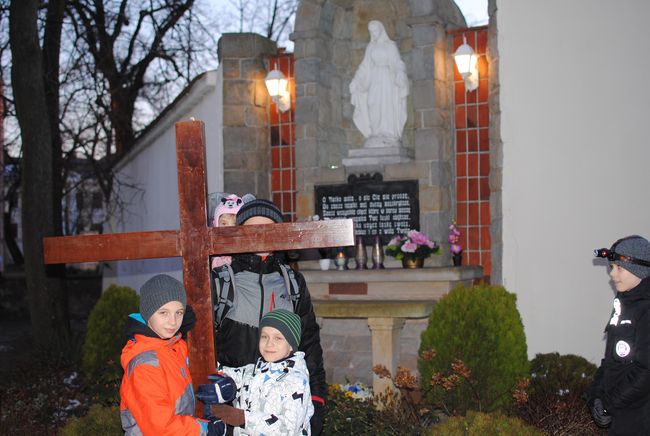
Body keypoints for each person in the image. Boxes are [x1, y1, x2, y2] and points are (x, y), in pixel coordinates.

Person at [211, 199, 326, 434]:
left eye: (269, 229)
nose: (262, 236)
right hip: (233, 408)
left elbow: (309, 342)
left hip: (283, 410)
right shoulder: (219, 281)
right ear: (241, 233)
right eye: (254, 229)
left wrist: (316, 399)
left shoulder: (292, 282)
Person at [119, 273, 224, 435]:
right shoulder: (145, 364)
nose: (173, 322)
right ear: (147, 313)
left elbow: (200, 370)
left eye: (179, 312)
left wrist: (222, 381)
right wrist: (204, 429)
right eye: (163, 313)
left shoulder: (175, 346)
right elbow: (160, 427)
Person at [198, 309, 314, 435]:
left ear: (291, 345)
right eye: (264, 336)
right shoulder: (254, 371)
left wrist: (242, 418)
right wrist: (224, 382)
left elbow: (287, 429)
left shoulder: (296, 381)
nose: (269, 343)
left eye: (278, 338)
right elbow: (226, 373)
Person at [587, 235, 650, 434]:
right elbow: (612, 360)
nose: (612, 275)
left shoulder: (646, 310)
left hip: (640, 419)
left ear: (639, 269)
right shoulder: (623, 304)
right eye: (611, 268)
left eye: (618, 268)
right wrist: (595, 396)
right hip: (621, 416)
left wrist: (609, 403)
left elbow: (645, 371)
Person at [349, 20, 409, 144]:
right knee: (373, 103)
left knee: (386, 104)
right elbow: (365, 66)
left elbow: (397, 62)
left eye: (375, 31)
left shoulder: (390, 46)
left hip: (387, 78)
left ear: (381, 31)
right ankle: (376, 132)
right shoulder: (371, 47)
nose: (374, 34)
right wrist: (356, 80)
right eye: (371, 32)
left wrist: (400, 73)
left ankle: (388, 133)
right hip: (374, 79)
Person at [209, 193, 255, 269]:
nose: (229, 229)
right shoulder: (214, 245)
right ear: (216, 225)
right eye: (224, 223)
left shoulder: (246, 245)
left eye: (234, 224)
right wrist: (217, 261)